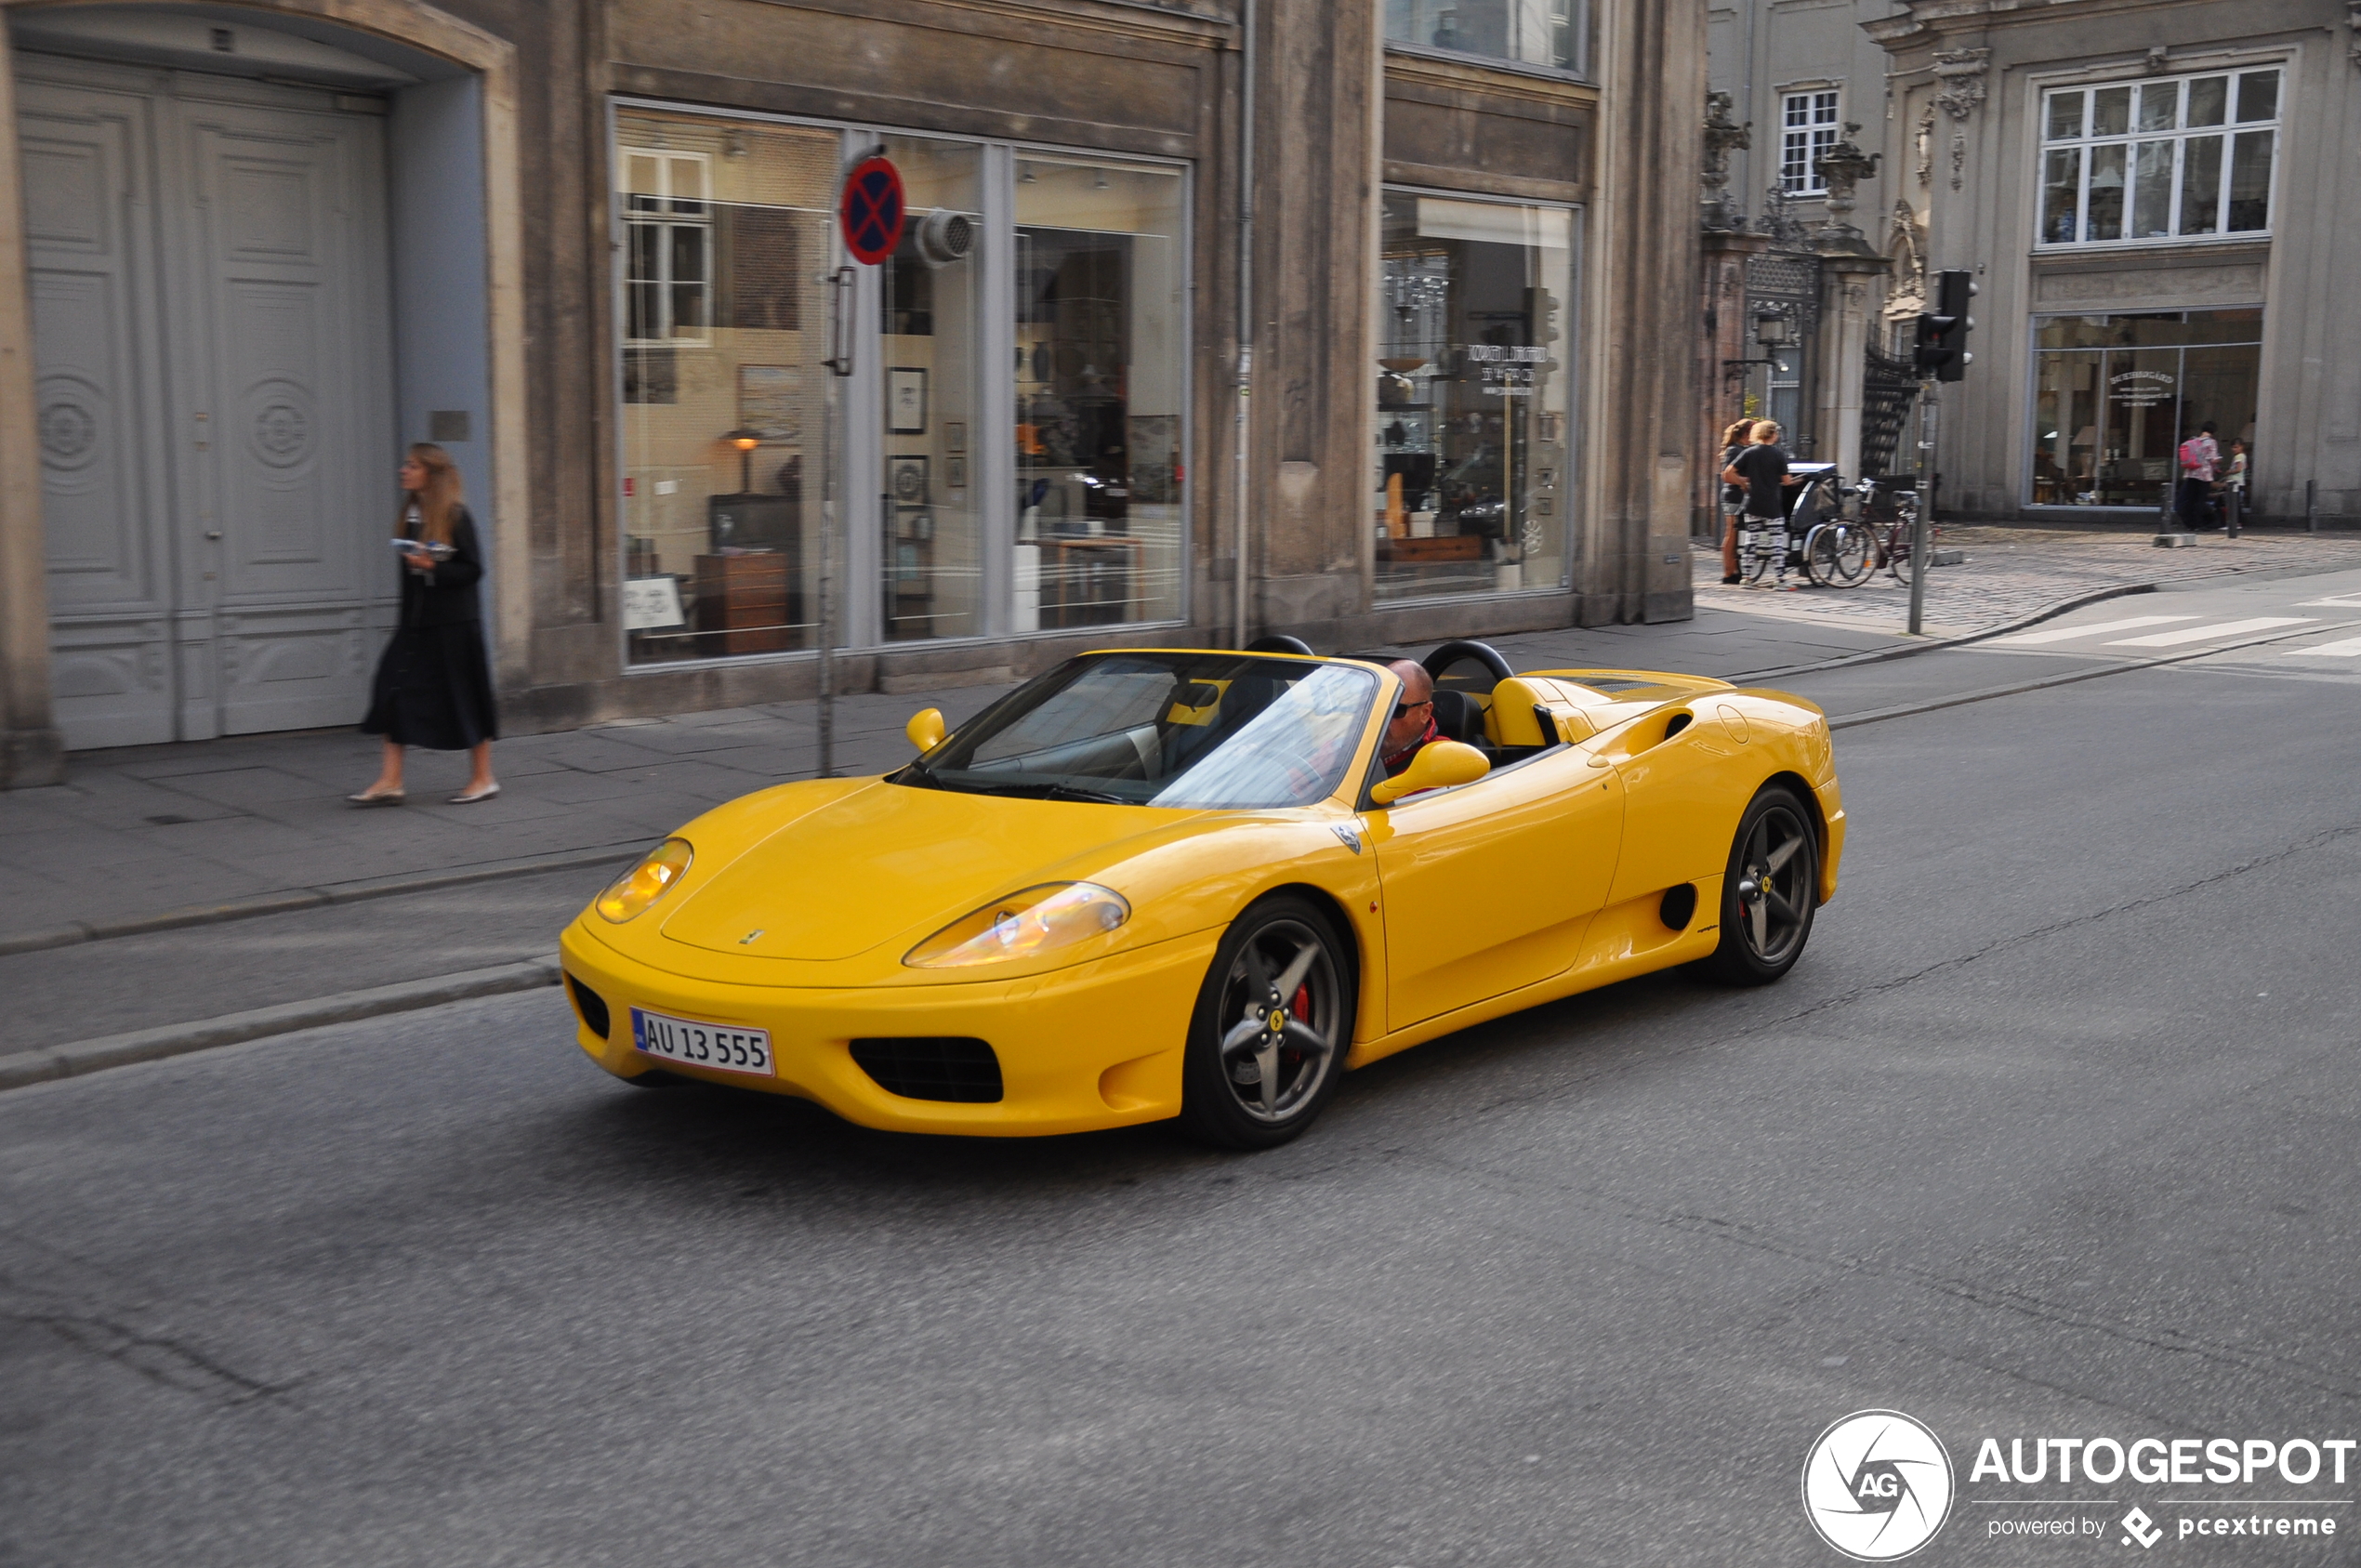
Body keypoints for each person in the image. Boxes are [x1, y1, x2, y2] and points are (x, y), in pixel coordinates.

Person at [350, 443, 501, 804]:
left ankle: (483, 778)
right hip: (416, 625)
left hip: (454, 625)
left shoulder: (455, 515)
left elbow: (473, 569)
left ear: (430, 474)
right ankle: (390, 780)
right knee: (391, 689)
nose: (404, 470)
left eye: (412, 465)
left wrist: (434, 567)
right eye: (406, 464)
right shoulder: (411, 514)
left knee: (463, 697)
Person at [1723, 420, 1801, 579]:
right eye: (1776, 433)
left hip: (1752, 503)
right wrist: (1795, 481)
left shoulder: (1749, 452)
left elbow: (1729, 472)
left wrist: (1744, 483)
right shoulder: (1777, 454)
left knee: (1751, 541)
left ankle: (1747, 578)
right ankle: (1779, 578)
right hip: (1772, 504)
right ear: (1772, 434)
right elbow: (1786, 481)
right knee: (1776, 544)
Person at [1378, 660, 1440, 779]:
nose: (1382, 717)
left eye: (1396, 710)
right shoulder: (1348, 742)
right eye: (1377, 706)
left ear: (1425, 712)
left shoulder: (1441, 761)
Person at [1717, 417, 1758, 583]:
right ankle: (1729, 572)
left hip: (1734, 494)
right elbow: (1727, 475)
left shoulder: (1739, 448)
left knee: (1734, 532)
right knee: (1731, 533)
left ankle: (1734, 569)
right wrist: (1746, 483)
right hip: (1734, 495)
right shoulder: (1735, 450)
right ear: (1747, 433)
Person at [2176, 421, 2220, 533]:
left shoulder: (2194, 441)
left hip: (2191, 474)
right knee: (2200, 500)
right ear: (2213, 431)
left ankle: (2190, 524)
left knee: (2190, 500)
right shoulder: (2211, 442)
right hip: (2204, 475)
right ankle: (2199, 524)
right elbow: (2213, 459)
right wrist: (2218, 461)